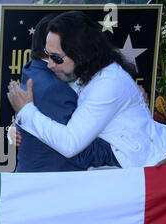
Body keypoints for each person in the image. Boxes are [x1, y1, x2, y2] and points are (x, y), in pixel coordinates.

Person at [7, 11, 166, 168]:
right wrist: (17, 126)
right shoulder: (83, 71)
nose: (50, 65)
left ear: (80, 53)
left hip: (150, 171)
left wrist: (26, 112)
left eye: (56, 58)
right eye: (47, 54)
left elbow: (70, 143)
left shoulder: (109, 83)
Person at [13, 14, 119, 172]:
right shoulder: (53, 87)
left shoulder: (35, 72)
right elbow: (78, 151)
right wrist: (120, 151)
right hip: (50, 185)